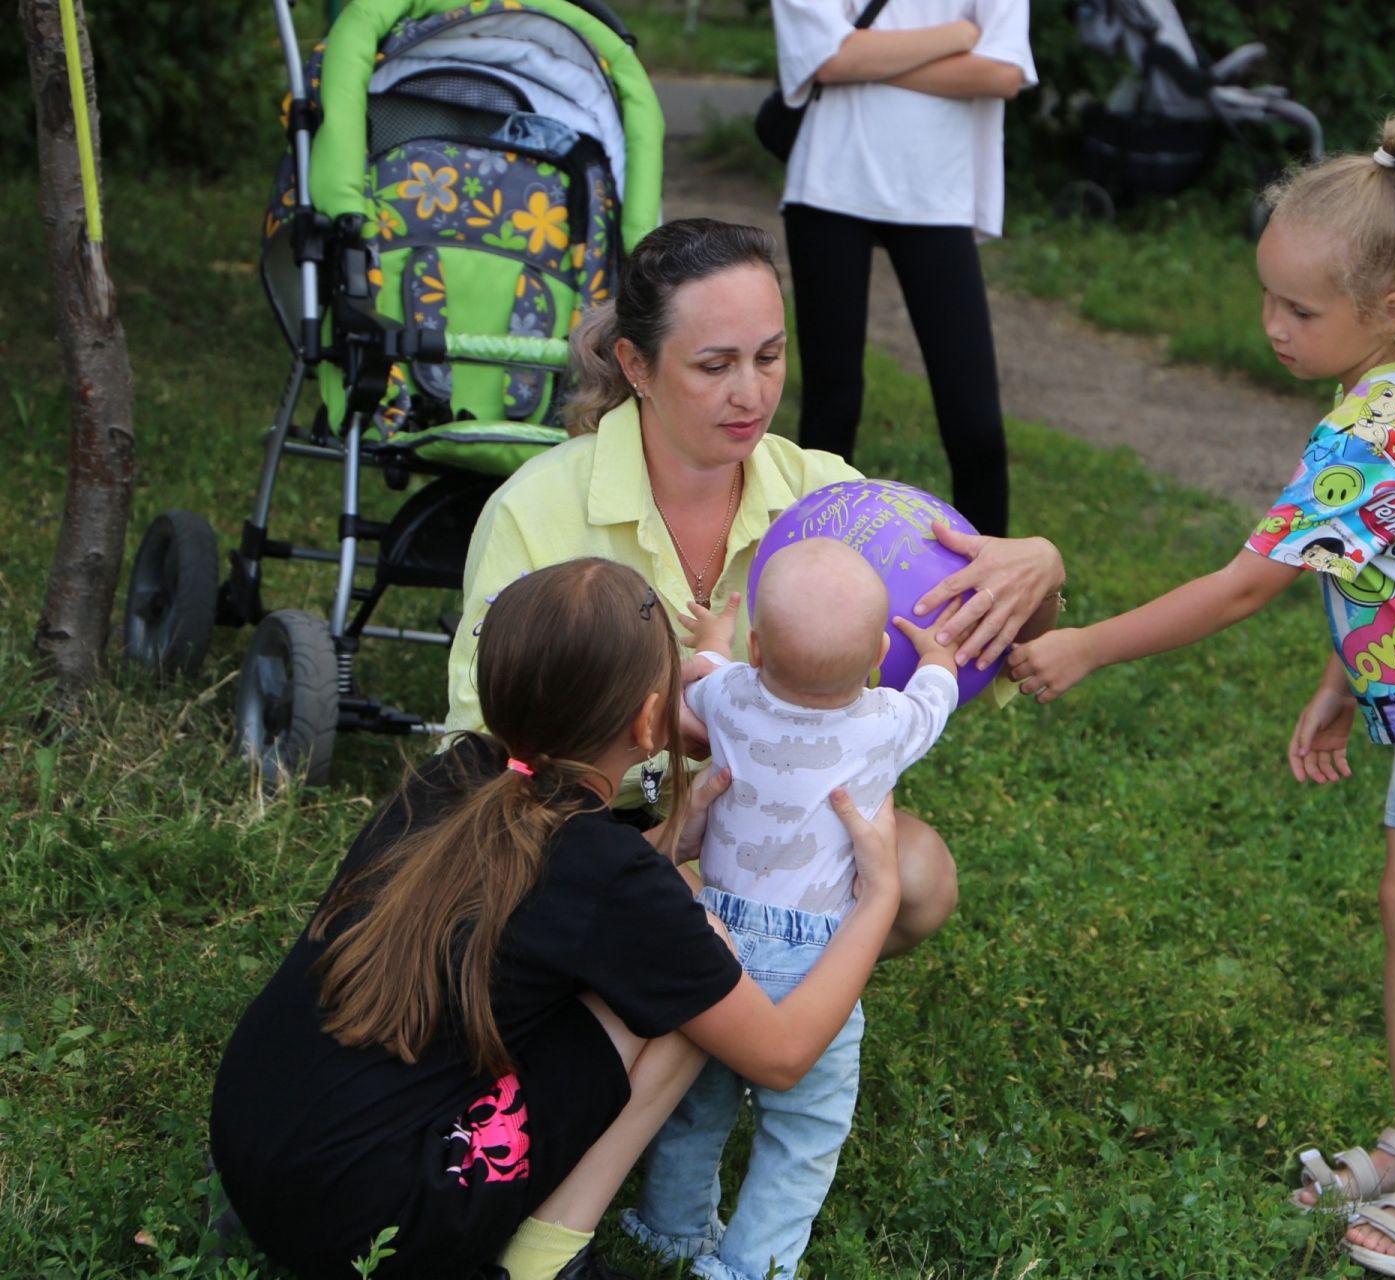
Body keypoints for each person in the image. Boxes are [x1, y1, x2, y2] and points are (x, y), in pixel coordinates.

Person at [1006, 117, 1395, 1277]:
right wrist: (1344, 676)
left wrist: (1086, 647)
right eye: (1268, 300)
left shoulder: (1383, 421)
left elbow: (1242, 589)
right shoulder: (1383, 394)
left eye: (1301, 312)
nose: (1274, 328)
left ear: (1391, 307)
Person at [210, 558, 904, 1280]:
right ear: (647, 719)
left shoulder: (452, 776)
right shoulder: (607, 875)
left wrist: (673, 841)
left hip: (254, 1153)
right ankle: (545, 1259)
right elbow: (784, 1056)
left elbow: (563, 896)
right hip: (386, 1228)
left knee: (661, 946)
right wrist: (877, 899)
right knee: (706, 947)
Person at [445, 217, 1067, 959]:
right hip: (577, 826)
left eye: (770, 357)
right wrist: (639, 724)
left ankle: (747, 990)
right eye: (715, 366)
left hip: (764, 823)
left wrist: (1041, 574)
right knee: (679, 922)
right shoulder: (534, 507)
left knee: (919, 874)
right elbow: (477, 741)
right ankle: (740, 1017)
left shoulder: (828, 498)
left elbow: (980, 630)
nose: (751, 394)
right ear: (635, 365)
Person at [623, 539, 961, 1280]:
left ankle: (670, 1227)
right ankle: (750, 1265)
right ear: (876, 653)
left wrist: (710, 644)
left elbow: (704, 678)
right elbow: (938, 697)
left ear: (756, 646)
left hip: (712, 934)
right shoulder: (886, 725)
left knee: (697, 1096)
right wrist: (935, 654)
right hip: (817, 954)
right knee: (804, 1129)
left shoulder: (732, 697)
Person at [771, 0, 1037, 537]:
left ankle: (998, 598)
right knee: (830, 410)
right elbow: (828, 62)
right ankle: (800, 581)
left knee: (976, 424)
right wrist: (960, 33)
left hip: (938, 194)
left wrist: (865, 57)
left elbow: (1003, 73)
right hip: (829, 183)